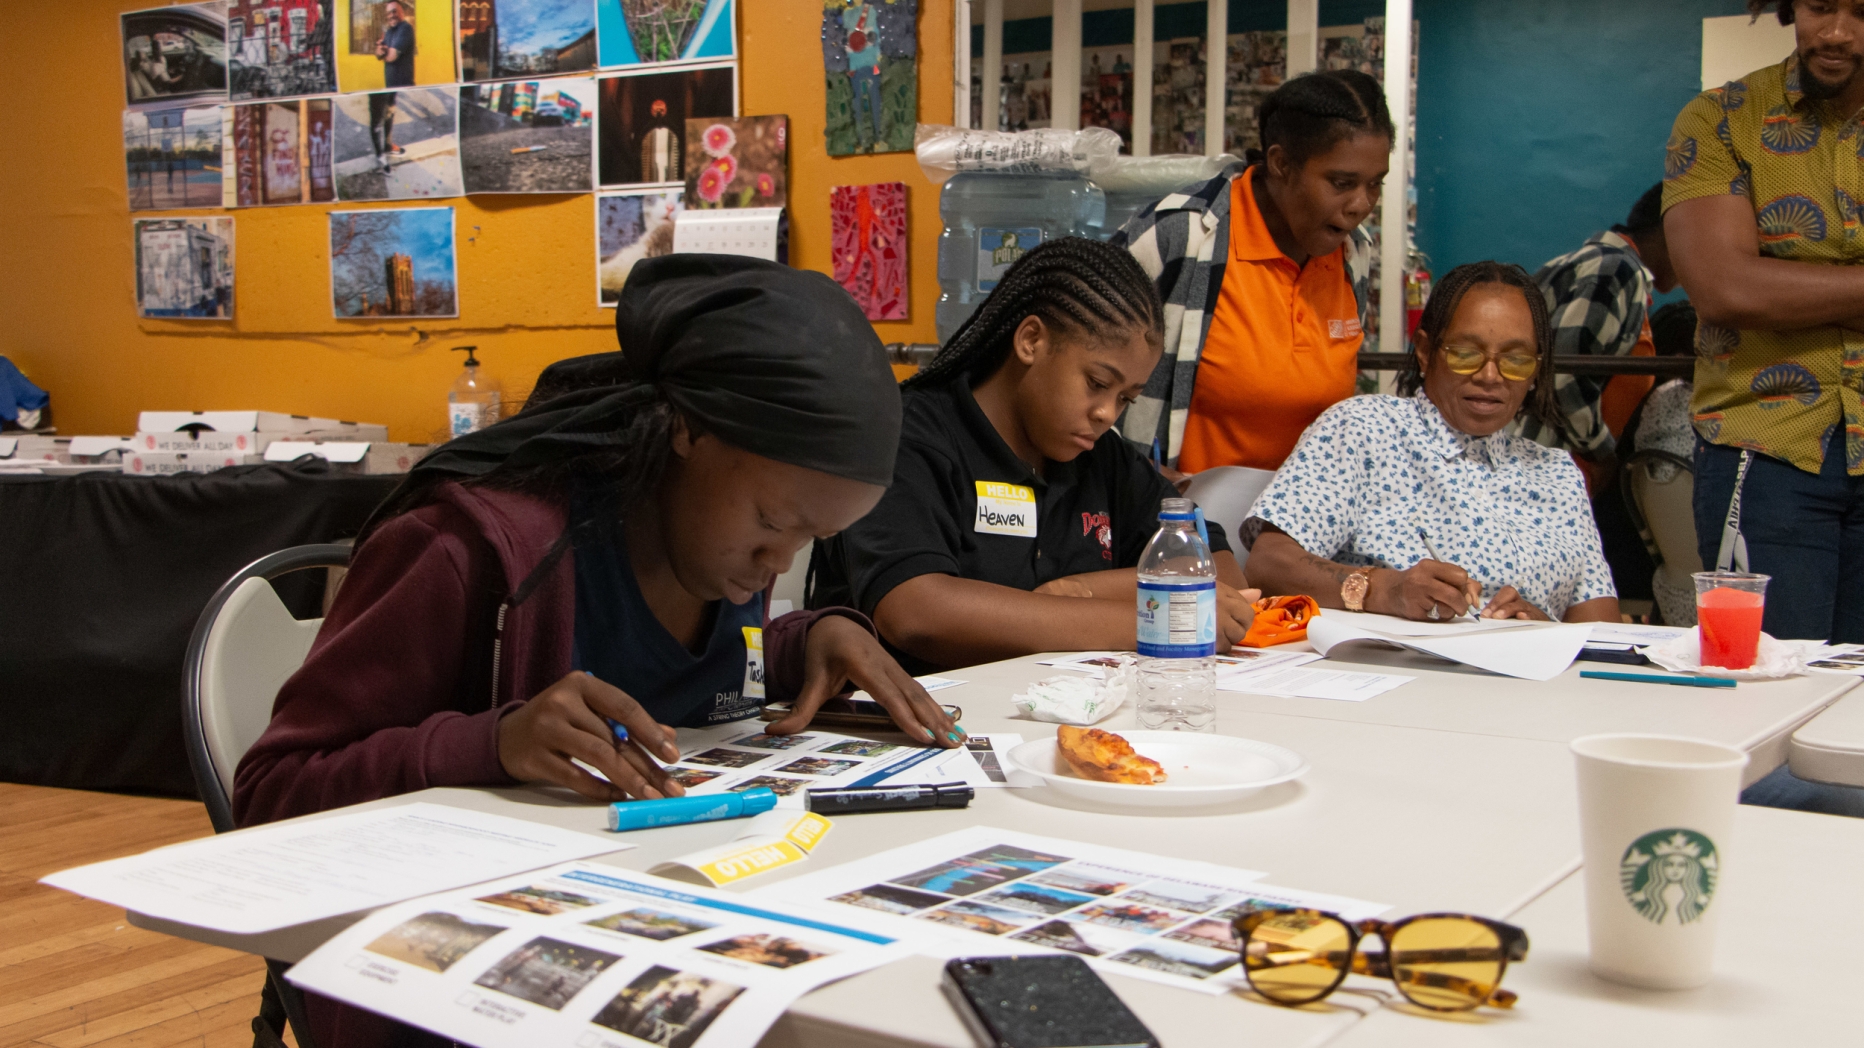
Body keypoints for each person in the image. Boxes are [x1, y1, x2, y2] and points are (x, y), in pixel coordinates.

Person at [236, 257, 963, 1046]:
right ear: (688, 430)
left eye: (811, 539)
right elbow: (272, 796)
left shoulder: (719, 545)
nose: (777, 564)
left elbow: (694, 666)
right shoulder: (470, 551)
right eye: (770, 521)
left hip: (670, 941)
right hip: (469, 995)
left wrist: (808, 637)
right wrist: (493, 744)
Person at [808, 238, 1258, 674]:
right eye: (1098, 383)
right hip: (920, 716)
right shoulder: (908, 436)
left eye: (1127, 399)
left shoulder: (1104, 459)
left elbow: (1222, 577)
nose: (1107, 414)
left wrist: (1079, 590)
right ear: (1030, 341)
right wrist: (1155, 618)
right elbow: (916, 613)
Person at [1664, 0, 1864, 818]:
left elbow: (1763, 283)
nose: (1837, 31)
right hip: (1768, 449)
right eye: (1819, 4)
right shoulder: (1723, 119)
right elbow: (1727, 287)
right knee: (1755, 712)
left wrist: (1804, 287)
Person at [1245, 261, 1620, 624]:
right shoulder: (1365, 430)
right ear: (1425, 351)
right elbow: (1269, 564)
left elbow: (1604, 630)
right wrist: (1385, 590)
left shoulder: (1558, 475)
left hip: (1530, 681)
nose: (1490, 375)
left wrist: (1542, 626)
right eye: (1465, 354)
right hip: (1393, 673)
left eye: (1515, 359)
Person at [1113, 69, 1392, 476]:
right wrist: (1137, 479)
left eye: (1375, 184)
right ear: (1280, 164)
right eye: (1342, 182)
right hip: (1184, 526)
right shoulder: (1179, 235)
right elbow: (1075, 382)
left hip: (1296, 528)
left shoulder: (1353, 251)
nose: (1361, 204)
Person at [1510, 183, 1679, 479]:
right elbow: (1564, 374)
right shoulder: (1617, 270)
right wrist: (1604, 454)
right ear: (1673, 232)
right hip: (1541, 472)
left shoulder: (1603, 265)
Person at [375, 0, 415, 89]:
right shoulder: (389, 32)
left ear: (402, 12)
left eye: (394, 11)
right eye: (388, 13)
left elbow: (392, 56)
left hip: (404, 90)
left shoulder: (405, 28)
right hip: (390, 88)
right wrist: (381, 50)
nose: (391, 15)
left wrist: (383, 52)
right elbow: (378, 55)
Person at [368, 91, 402, 171]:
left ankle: (388, 146)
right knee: (377, 119)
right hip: (376, 85)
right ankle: (380, 154)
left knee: (390, 108)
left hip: (391, 83)